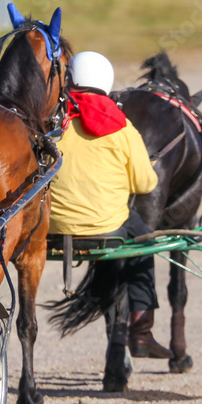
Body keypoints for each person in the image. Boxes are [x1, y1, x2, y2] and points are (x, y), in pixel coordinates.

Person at [48, 51, 173, 359]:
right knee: (145, 244)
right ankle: (141, 330)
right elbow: (146, 185)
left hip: (50, 227)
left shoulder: (50, 122)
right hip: (109, 226)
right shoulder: (123, 127)